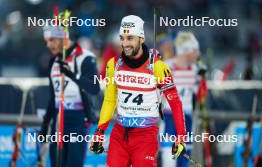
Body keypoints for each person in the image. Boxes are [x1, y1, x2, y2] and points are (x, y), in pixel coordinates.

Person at [90, 15, 186, 167]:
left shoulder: (158, 66)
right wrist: (99, 132)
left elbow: (175, 103)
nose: (125, 43)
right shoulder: (113, 64)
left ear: (141, 38)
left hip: (145, 136)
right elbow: (109, 100)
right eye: (122, 38)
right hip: (120, 134)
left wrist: (181, 136)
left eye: (130, 38)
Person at [39, 11, 100, 167]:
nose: (48, 45)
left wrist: (72, 75)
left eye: (52, 40)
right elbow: (53, 97)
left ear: (63, 37)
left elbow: (94, 88)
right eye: (47, 41)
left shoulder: (85, 58)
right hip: (58, 122)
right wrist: (45, 126)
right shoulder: (54, 61)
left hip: (77, 121)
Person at [161, 31, 205, 167]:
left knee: (184, 158)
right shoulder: (166, 67)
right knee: (168, 159)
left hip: (187, 119)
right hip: (169, 117)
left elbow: (200, 94)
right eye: (195, 50)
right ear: (185, 51)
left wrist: (203, 80)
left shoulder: (196, 69)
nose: (198, 54)